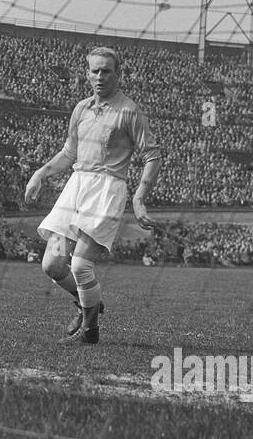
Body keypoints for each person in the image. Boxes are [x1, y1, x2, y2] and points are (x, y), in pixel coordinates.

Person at [25, 47, 161, 344]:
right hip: (76, 188)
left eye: (106, 71)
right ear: (87, 74)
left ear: (118, 75)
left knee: (80, 265)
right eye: (95, 71)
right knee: (53, 264)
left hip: (107, 190)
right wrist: (40, 173)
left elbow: (152, 155)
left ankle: (90, 331)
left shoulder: (128, 111)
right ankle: (88, 304)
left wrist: (139, 198)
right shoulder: (81, 109)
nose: (100, 76)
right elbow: (69, 152)